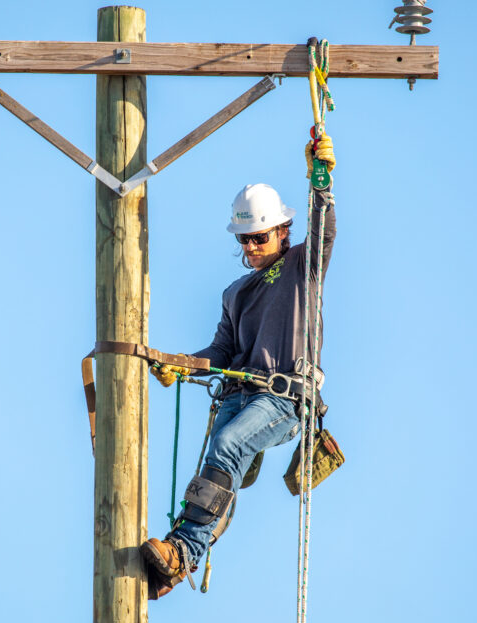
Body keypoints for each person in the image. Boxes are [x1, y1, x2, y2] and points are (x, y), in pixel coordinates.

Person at [141, 136, 338, 599]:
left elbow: (324, 228)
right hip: (238, 394)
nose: (251, 246)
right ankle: (172, 565)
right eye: (244, 238)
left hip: (283, 399)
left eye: (259, 236)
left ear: (282, 231)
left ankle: (183, 552)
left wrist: (321, 180)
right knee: (219, 464)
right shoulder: (234, 293)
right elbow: (222, 350)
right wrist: (184, 366)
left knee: (228, 446)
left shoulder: (301, 268)